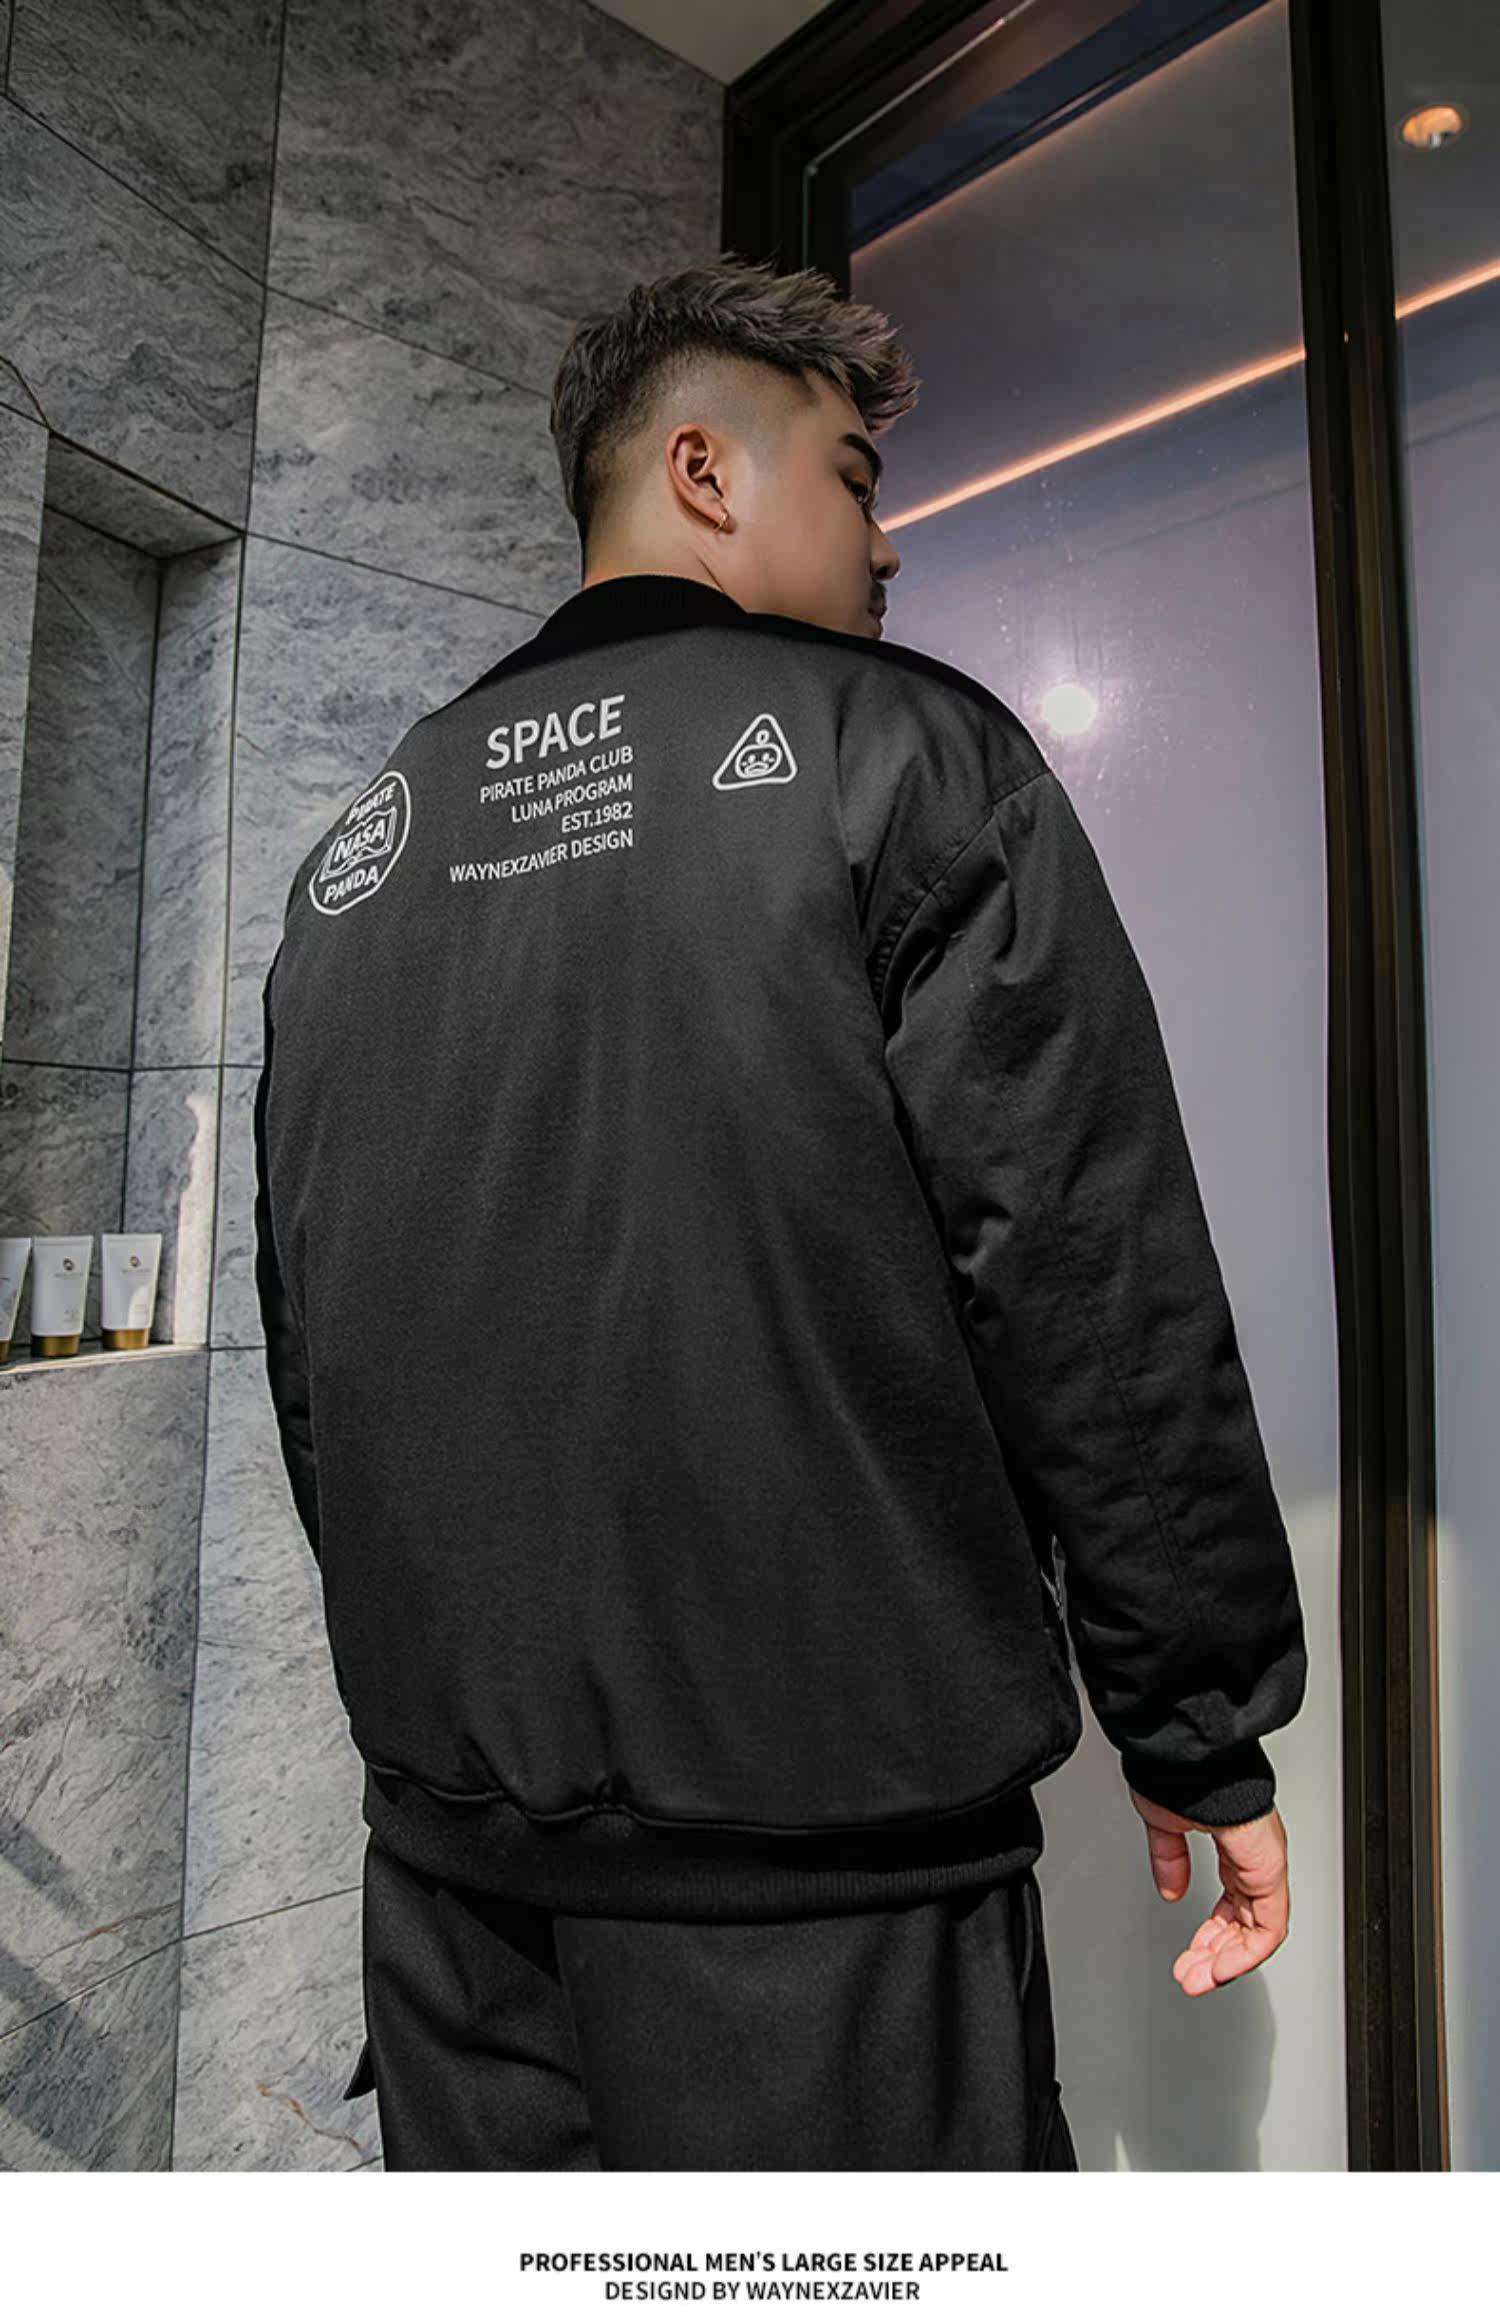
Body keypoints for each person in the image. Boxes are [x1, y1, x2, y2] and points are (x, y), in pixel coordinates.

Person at [252, 255, 1308, 2171]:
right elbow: (1086, 1279)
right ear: (704, 472)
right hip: (829, 1923)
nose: (886, 542)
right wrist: (1197, 1720)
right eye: (854, 474)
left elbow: (319, 1377)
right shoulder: (901, 756)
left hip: (455, 1925)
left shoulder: (352, 868)